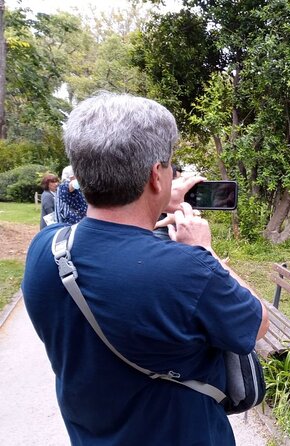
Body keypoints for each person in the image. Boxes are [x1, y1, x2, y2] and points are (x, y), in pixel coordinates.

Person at [22, 93, 269, 446]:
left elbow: (108, 239)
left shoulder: (46, 248)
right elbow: (257, 323)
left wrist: (155, 201)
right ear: (157, 174)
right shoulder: (188, 270)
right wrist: (204, 249)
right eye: (169, 166)